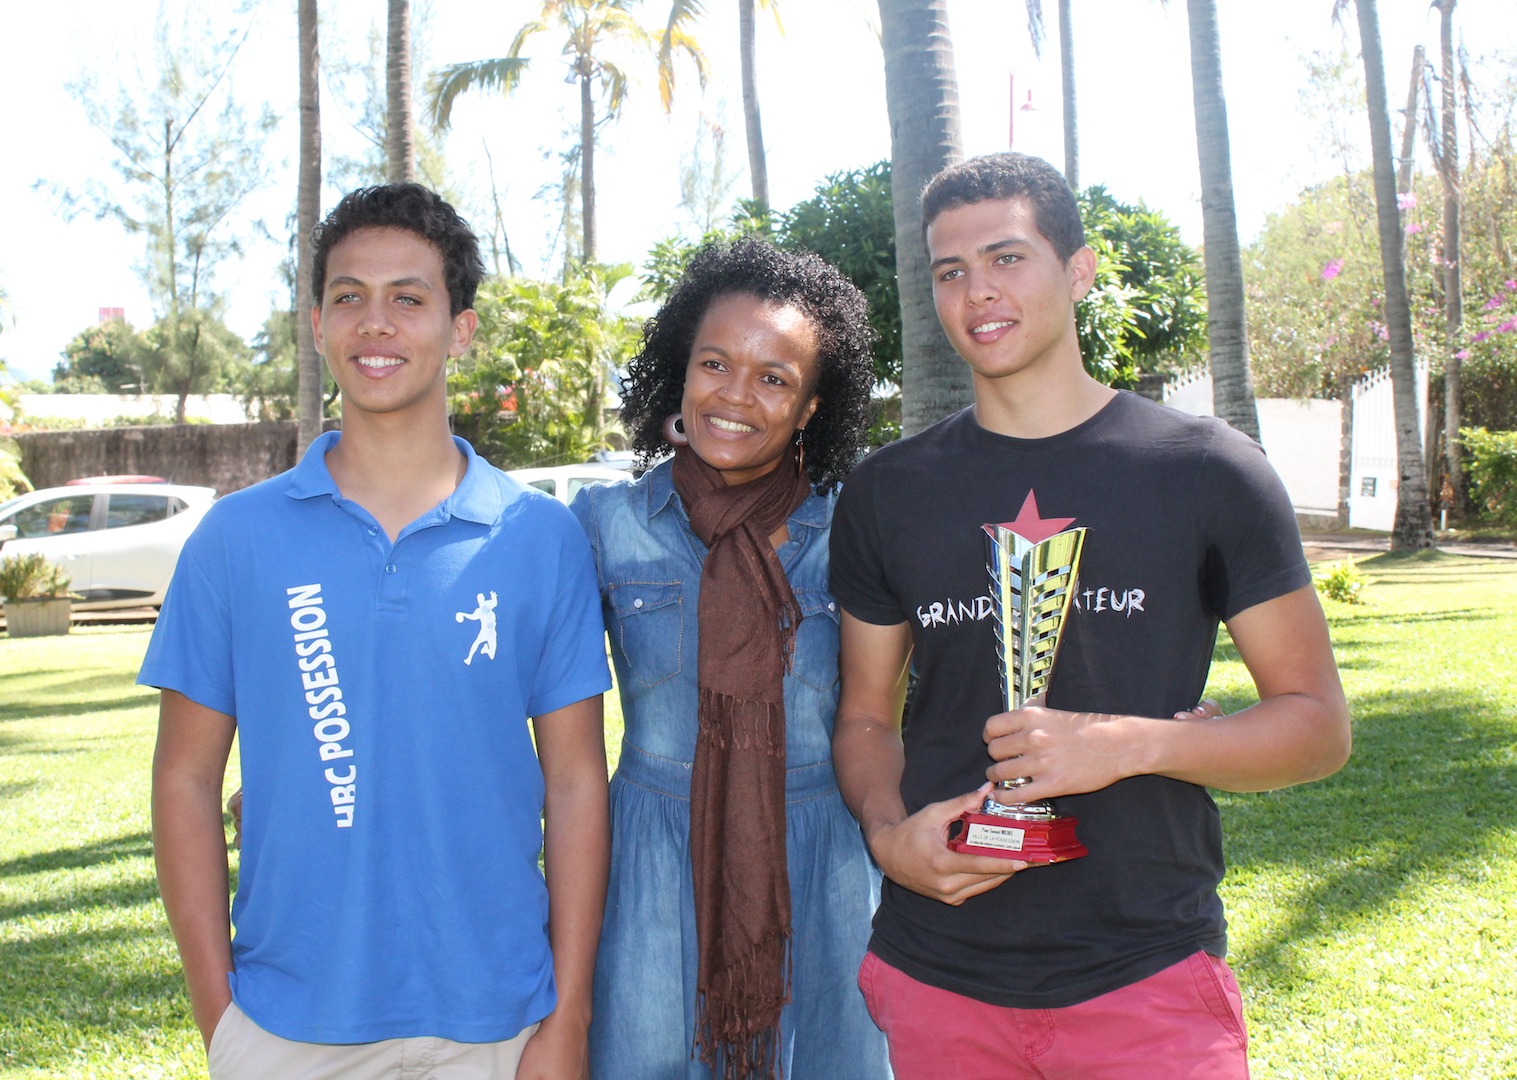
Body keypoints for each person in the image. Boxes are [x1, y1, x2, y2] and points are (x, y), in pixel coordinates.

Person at [828, 153, 1351, 1079]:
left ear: (1079, 269)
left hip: (1144, 976)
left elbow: (1316, 729)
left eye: (1007, 258)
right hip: (941, 976)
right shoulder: (887, 493)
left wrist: (1127, 744)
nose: (976, 292)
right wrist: (887, 837)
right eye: (950, 271)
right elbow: (868, 715)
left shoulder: (1204, 469)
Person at [143, 182, 611, 1079]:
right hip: (285, 1026)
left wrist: (570, 1017)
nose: (376, 323)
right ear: (316, 324)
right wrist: (222, 1019)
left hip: (498, 1021)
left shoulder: (538, 536)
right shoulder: (236, 539)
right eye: (349, 297)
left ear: (460, 330)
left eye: (409, 298)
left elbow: (578, 782)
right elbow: (186, 778)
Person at [569, 238, 889, 1080]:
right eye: (715, 363)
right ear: (683, 366)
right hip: (650, 866)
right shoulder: (606, 525)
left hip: (824, 866)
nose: (736, 396)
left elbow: (933, 689)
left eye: (774, 377)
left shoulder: (855, 534)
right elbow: (494, 682)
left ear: (813, 405)